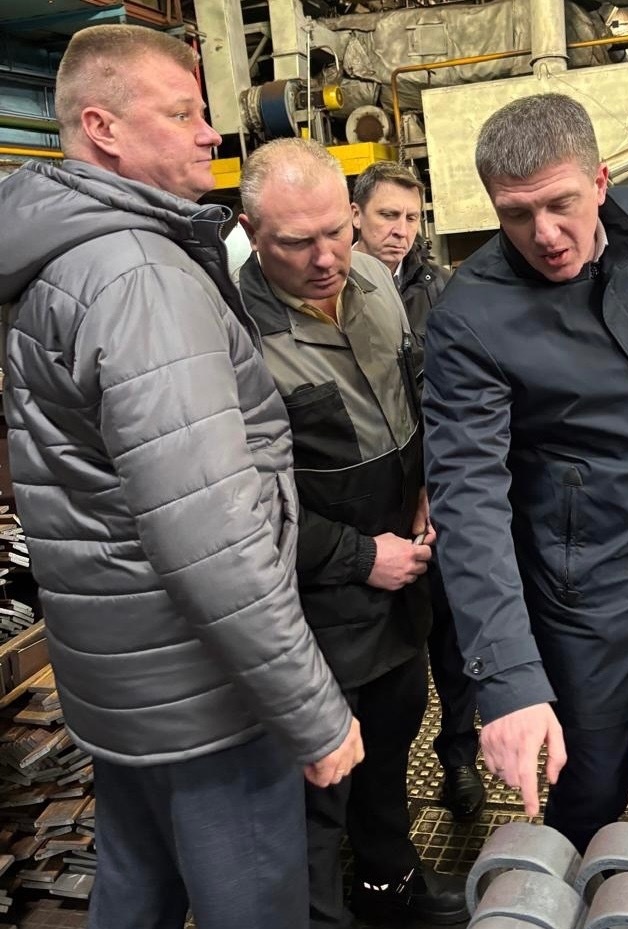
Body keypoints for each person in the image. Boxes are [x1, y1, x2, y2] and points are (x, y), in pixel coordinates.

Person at [0, 24, 363, 929]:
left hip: (126, 686)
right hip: (206, 698)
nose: (210, 133)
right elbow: (210, 533)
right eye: (183, 113)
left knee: (136, 892)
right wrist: (312, 710)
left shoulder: (68, 259)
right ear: (103, 128)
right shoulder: (140, 280)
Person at [422, 93, 628, 854]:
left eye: (560, 203)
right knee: (591, 785)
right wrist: (510, 678)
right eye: (515, 214)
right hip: (586, 593)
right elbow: (468, 499)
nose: (545, 235)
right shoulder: (470, 316)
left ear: (600, 181)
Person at [236, 138, 468, 928]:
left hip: (402, 585)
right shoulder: (233, 335)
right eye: (297, 242)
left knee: (391, 748)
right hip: (316, 607)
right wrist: (360, 555)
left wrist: (431, 480)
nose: (327, 257)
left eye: (337, 230)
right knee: (317, 786)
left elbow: (415, 395)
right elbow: (236, 508)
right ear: (251, 232)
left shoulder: (372, 282)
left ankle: (387, 884)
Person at [351, 161, 485, 822]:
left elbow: (460, 398)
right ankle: (378, 781)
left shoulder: (445, 292)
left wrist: (439, 482)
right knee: (384, 655)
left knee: (455, 643)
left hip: (439, 500)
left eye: (411, 217)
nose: (400, 230)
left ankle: (459, 756)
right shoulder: (335, 292)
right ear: (356, 216)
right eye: (387, 215)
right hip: (371, 509)